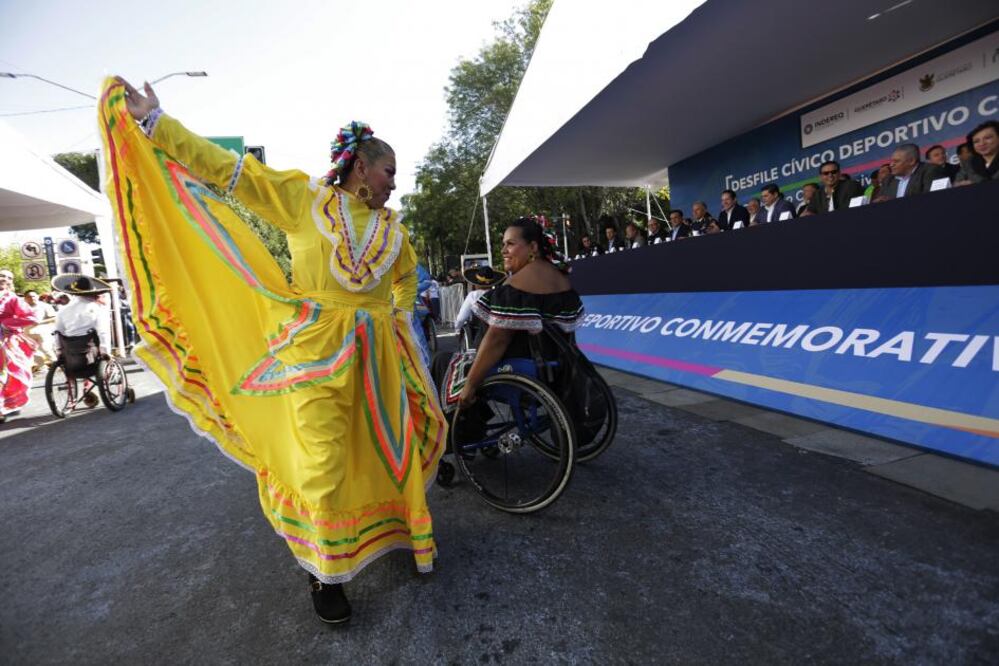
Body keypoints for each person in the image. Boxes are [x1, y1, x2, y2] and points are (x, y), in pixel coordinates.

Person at [106, 77, 446, 625]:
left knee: (389, 448)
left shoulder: (394, 231)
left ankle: (397, 532)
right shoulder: (304, 200)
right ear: (362, 165)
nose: (393, 184)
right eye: (389, 172)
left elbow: (406, 279)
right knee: (324, 459)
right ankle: (322, 572)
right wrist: (156, 123)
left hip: (378, 356)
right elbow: (230, 171)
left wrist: (399, 318)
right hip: (314, 351)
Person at [455, 217, 583, 408]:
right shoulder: (561, 278)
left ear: (533, 247)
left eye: (510, 244)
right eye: (503, 244)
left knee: (444, 364)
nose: (503, 250)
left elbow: (497, 340)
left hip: (524, 369)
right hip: (557, 368)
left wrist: (471, 384)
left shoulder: (517, 284)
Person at [0, 270, 39, 419]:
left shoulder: (13, 299)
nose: (4, 279)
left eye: (8, 277)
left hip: (5, 341)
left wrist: (7, 323)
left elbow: (32, 317)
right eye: (1, 275)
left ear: (11, 281)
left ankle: (4, 406)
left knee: (8, 372)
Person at [51, 275, 113, 355]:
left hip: (70, 351)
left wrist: (58, 351)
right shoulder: (96, 308)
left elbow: (58, 332)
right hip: (91, 350)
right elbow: (103, 331)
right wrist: (105, 352)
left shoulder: (62, 310)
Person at [955, 120, 999, 185]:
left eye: (987, 138)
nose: (982, 143)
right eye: (976, 141)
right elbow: (956, 184)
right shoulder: (968, 163)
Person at [23, 289, 58, 368]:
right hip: (27, 333)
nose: (32, 298)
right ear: (25, 298)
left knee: (45, 349)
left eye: (33, 296)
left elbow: (54, 318)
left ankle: (56, 365)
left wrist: (40, 322)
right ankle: (42, 367)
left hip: (42, 331)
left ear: (37, 296)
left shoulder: (45, 306)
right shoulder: (22, 307)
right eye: (29, 297)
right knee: (33, 352)